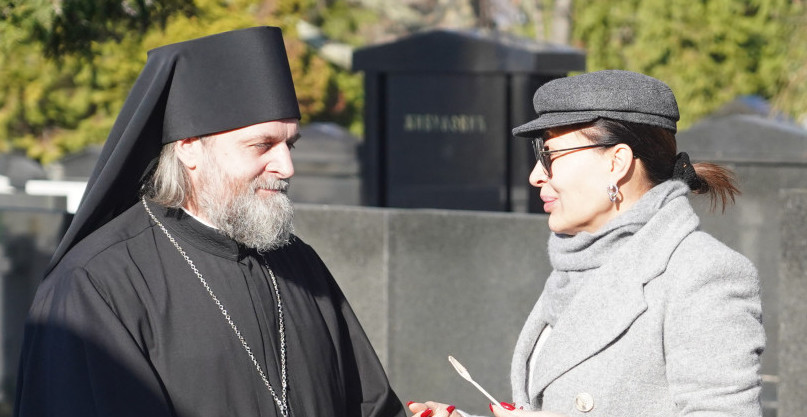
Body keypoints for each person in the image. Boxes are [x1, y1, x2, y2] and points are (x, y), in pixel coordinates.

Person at [15, 27, 405, 417]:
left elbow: (369, 405)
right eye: (262, 145)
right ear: (189, 148)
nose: (286, 166)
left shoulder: (299, 263)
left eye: (291, 144)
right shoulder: (95, 283)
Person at [408, 70, 765, 417]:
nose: (536, 175)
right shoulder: (579, 263)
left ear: (617, 162)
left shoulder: (703, 273)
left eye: (549, 154)